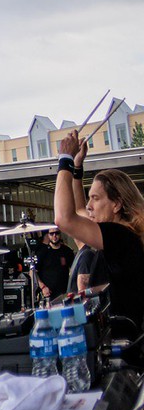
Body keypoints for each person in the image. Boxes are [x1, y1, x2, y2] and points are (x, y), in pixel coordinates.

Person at [53, 131, 144, 332]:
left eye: (95, 198)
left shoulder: (121, 236)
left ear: (117, 204)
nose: (89, 206)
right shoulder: (125, 234)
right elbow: (77, 212)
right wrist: (77, 167)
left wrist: (65, 160)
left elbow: (64, 218)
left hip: (130, 347)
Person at [34, 227, 75, 305]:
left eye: (57, 233)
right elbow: (33, 272)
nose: (54, 236)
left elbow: (73, 270)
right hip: (48, 295)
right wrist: (43, 287)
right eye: (51, 234)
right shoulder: (42, 252)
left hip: (65, 293)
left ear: (60, 234)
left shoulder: (67, 251)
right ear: (48, 235)